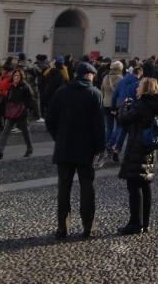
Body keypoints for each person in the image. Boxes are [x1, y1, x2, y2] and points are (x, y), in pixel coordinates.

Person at [45, 61, 106, 240]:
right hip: (86, 150)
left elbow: (50, 119)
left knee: (64, 188)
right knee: (87, 188)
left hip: (64, 148)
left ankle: (62, 228)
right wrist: (100, 148)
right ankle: (87, 227)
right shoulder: (94, 93)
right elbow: (99, 126)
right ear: (88, 75)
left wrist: (59, 137)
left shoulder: (62, 92)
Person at [117, 77, 158, 235]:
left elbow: (123, 120)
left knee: (134, 186)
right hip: (149, 149)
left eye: (139, 87)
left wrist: (124, 106)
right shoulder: (156, 105)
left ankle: (135, 223)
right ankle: (145, 223)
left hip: (137, 148)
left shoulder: (141, 105)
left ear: (144, 89)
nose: (137, 89)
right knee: (145, 185)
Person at [0, 69, 36, 159]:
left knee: (25, 132)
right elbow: (8, 98)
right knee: (5, 132)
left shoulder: (25, 86)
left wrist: (25, 108)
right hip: (11, 111)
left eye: (18, 76)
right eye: (15, 76)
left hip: (21, 112)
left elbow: (31, 99)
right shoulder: (11, 86)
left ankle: (29, 149)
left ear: (22, 77)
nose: (16, 77)